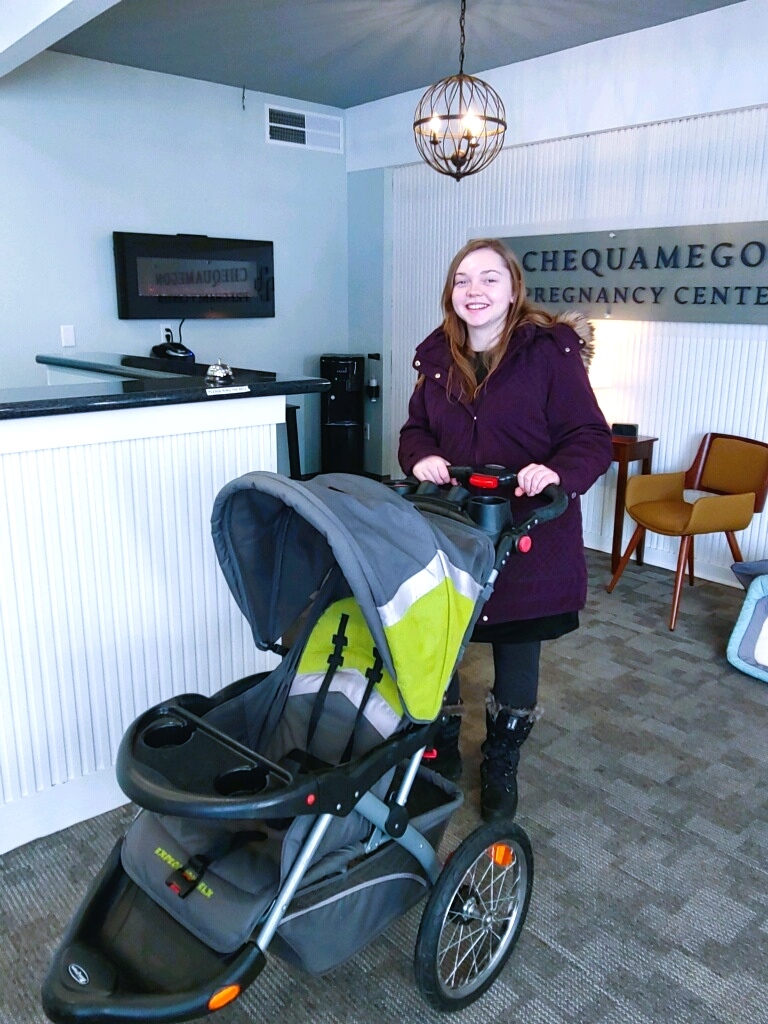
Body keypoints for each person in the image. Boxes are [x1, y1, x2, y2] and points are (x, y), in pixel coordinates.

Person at [398, 238, 612, 821]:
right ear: (451, 293)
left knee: (517, 647)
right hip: (449, 529)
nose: (475, 291)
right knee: (437, 642)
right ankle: (437, 745)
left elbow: (590, 438)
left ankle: (502, 756)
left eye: (489, 279)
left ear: (513, 289)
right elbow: (414, 431)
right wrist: (419, 458)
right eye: (463, 280)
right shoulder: (438, 356)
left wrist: (557, 471)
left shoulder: (550, 352)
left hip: (528, 533)